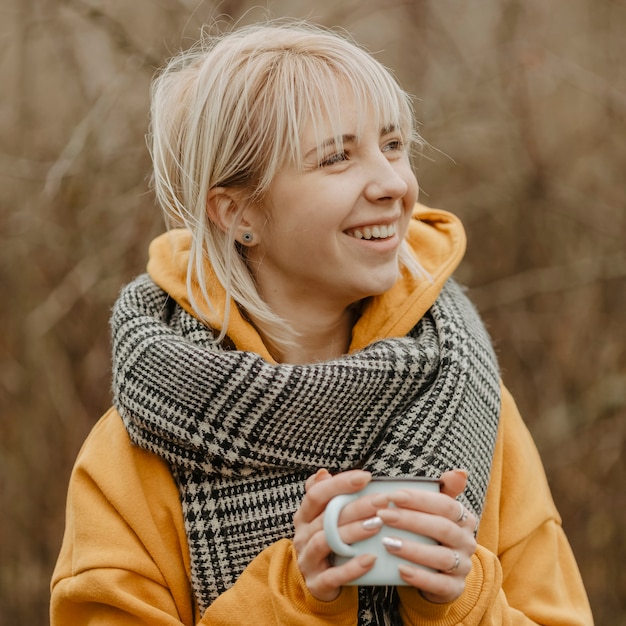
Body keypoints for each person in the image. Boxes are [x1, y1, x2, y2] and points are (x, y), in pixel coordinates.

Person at [50, 20, 593, 625]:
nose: (394, 184)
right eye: (336, 157)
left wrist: (459, 601)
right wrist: (292, 598)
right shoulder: (135, 451)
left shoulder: (470, 397)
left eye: (392, 146)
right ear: (237, 213)